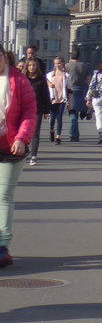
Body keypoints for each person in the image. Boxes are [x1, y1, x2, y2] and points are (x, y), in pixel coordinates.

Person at [0, 48, 37, 269]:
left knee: (3, 195)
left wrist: (22, 138)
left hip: (10, 146)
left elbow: (29, 112)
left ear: (4, 58)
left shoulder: (18, 80)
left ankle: (2, 246)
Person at [17, 46, 49, 167]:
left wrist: (47, 110)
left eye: (34, 65)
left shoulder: (41, 80)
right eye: (30, 65)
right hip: (23, 109)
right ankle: (24, 151)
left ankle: (34, 155)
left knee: (35, 132)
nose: (32, 67)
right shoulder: (22, 79)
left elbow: (45, 95)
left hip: (37, 109)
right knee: (23, 131)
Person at [65, 50, 88, 141]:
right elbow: (88, 79)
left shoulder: (67, 66)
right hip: (82, 90)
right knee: (76, 112)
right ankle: (84, 111)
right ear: (79, 57)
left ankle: (73, 135)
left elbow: (65, 78)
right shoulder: (84, 66)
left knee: (73, 113)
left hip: (71, 90)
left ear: (71, 56)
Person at [46, 57, 67, 145]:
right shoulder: (50, 75)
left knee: (59, 117)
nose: (57, 65)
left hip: (62, 99)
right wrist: (49, 84)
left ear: (63, 63)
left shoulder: (66, 75)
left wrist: (70, 102)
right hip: (53, 99)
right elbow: (45, 82)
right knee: (52, 118)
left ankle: (58, 136)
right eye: (55, 63)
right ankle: (51, 130)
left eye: (59, 63)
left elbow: (69, 88)